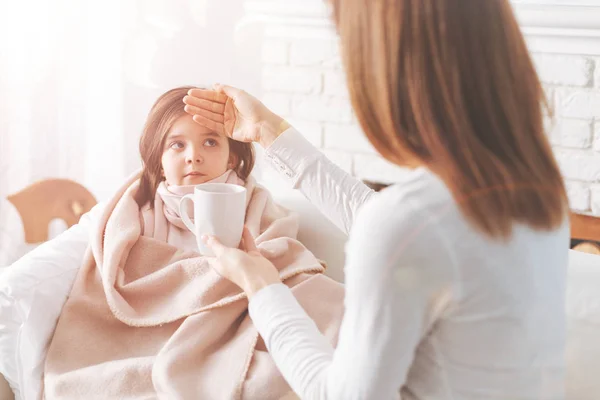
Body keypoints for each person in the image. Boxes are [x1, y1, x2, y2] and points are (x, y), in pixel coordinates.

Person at [182, 0, 571, 398]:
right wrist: (268, 130)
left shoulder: (411, 224)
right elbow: (391, 222)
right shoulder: (536, 192)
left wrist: (261, 286)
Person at [0, 86, 344, 399]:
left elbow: (285, 273)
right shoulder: (130, 215)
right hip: (142, 348)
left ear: (232, 157)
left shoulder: (258, 209)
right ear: (159, 162)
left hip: (229, 343)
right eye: (177, 145)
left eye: (210, 142)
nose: (193, 156)